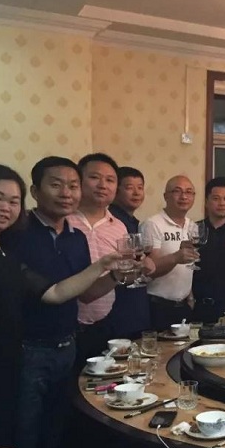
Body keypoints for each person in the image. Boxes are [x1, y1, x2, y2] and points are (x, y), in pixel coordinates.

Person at [0, 164, 117, 448]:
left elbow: (54, 292)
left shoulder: (3, 251)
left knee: (36, 435)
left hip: (14, 360)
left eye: (13, 201)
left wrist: (105, 266)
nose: (5, 208)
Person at [0, 157, 118, 448]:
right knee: (25, 436)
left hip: (67, 346)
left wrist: (117, 276)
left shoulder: (76, 237)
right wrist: (102, 265)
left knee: (58, 432)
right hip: (28, 349)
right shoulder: (16, 234)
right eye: (56, 184)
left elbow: (86, 293)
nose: (66, 193)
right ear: (35, 191)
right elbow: (50, 293)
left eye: (72, 186)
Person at [67, 153, 130, 363]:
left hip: (105, 323)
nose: (103, 185)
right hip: (66, 327)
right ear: (78, 181)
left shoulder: (119, 226)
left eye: (110, 180)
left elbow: (123, 271)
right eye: (94, 177)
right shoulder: (63, 221)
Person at [142, 175, 200, 330]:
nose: (184, 196)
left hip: (184, 305)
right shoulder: (153, 224)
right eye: (177, 191)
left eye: (189, 192)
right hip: (158, 306)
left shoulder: (193, 226)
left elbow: (188, 268)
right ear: (166, 196)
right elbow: (150, 270)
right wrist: (175, 257)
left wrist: (190, 295)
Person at [107, 165, 152, 338]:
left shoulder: (134, 222)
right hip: (118, 305)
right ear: (116, 190)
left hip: (136, 303)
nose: (136, 193)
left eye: (140, 187)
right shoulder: (111, 221)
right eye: (129, 187)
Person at [191, 177, 225, 323]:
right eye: (216, 198)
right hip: (197, 306)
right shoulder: (194, 229)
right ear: (206, 202)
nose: (222, 203)